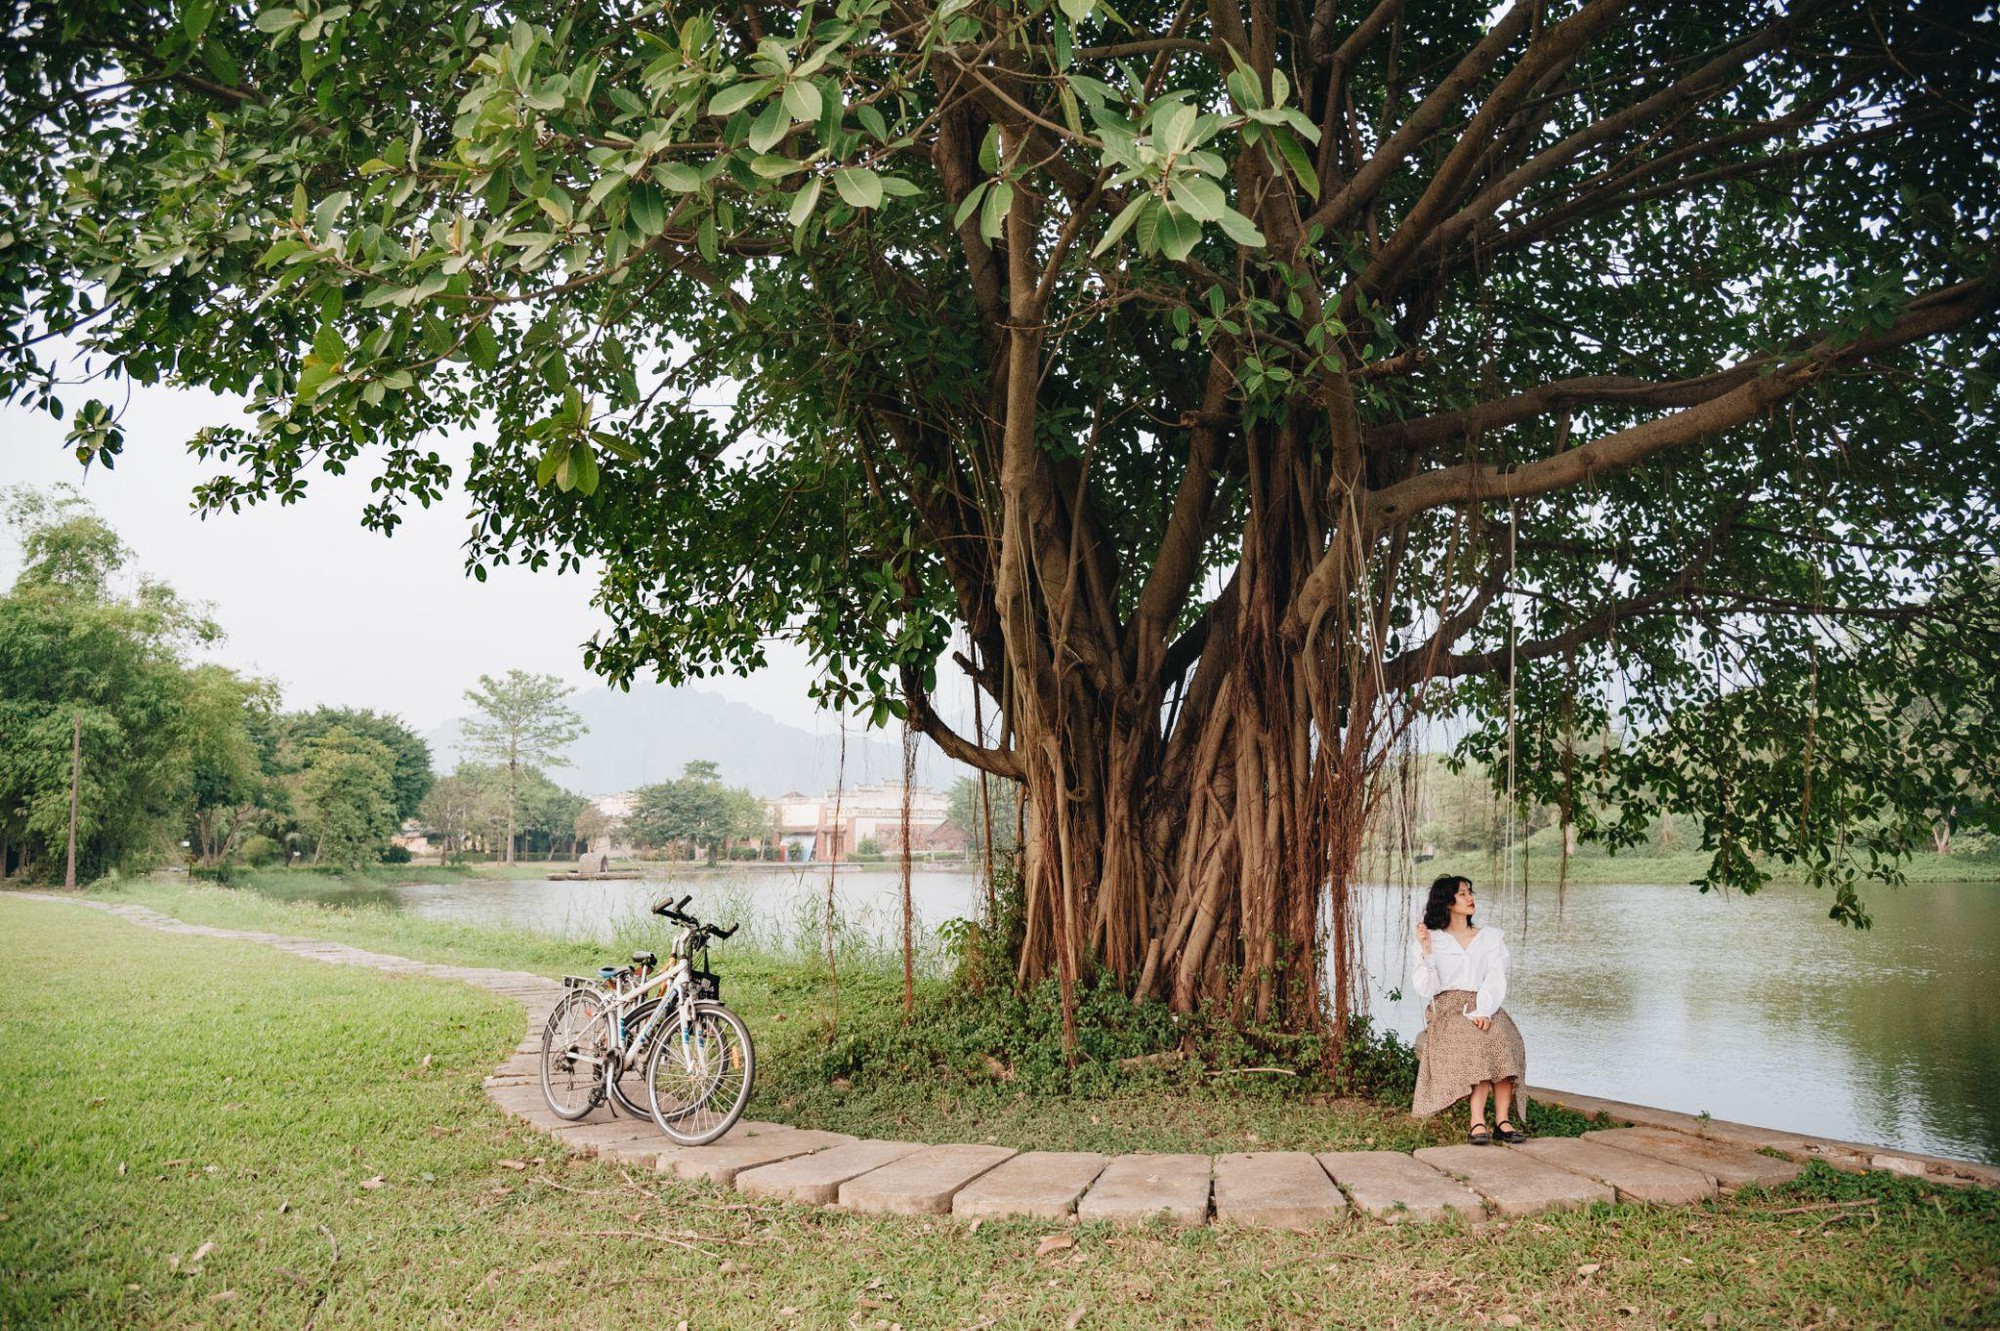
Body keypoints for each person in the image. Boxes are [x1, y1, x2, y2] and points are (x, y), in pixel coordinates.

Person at [1410, 874, 1528, 1143]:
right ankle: (1477, 1122)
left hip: (1485, 1003)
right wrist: (1427, 951)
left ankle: (1503, 1121)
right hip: (1448, 1007)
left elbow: (1496, 978)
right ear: (1448, 902)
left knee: (1504, 1039)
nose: (1470, 897)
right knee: (1477, 1040)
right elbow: (1427, 988)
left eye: (1469, 892)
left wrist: (1484, 1010)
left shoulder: (1489, 938)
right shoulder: (1431, 938)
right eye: (1462, 893)